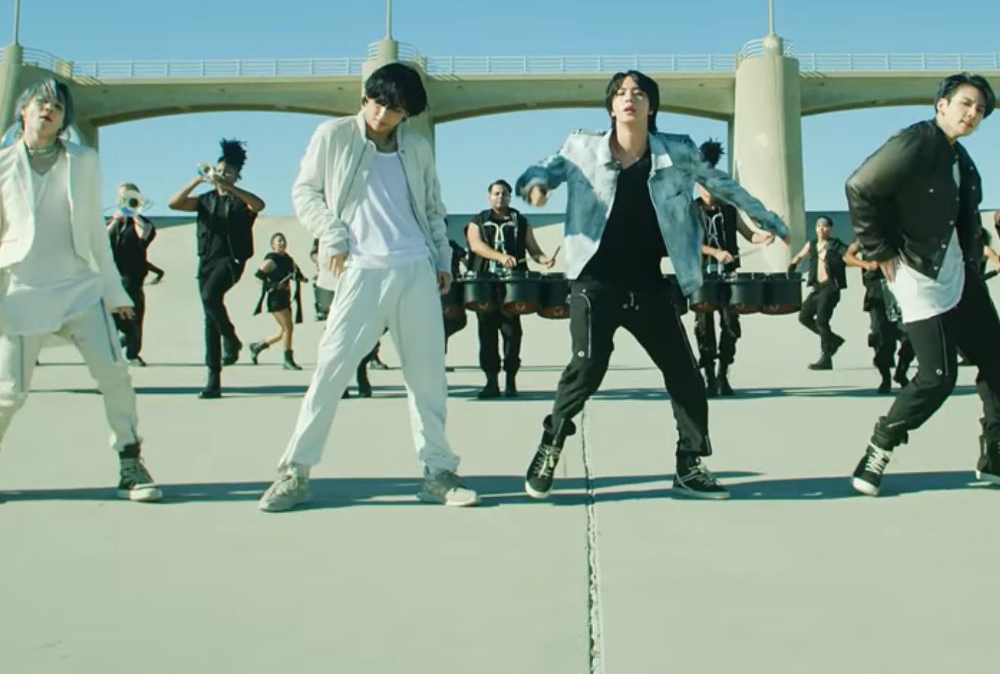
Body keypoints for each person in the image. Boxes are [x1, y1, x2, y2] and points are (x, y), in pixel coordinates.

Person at [514, 70, 788, 501]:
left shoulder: (678, 152)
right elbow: (543, 170)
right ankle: (551, 444)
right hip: (594, 281)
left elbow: (725, 186)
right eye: (621, 93)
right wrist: (535, 187)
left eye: (639, 93)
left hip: (648, 282)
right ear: (611, 107)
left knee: (684, 372)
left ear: (651, 106)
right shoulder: (582, 147)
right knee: (587, 368)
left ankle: (689, 464)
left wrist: (769, 219)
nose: (630, 98)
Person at [259, 62, 478, 511]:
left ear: (406, 113)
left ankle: (438, 472)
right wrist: (332, 233)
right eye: (376, 103)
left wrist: (442, 258)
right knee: (330, 371)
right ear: (364, 99)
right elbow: (305, 192)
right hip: (359, 270)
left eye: (393, 109)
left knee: (427, 379)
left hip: (415, 269)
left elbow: (433, 207)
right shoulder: (334, 135)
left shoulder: (417, 147)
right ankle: (294, 473)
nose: (381, 114)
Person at [0, 79, 160, 501]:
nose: (49, 109)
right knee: (9, 393)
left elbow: (93, 231)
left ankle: (130, 462)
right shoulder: (3, 164)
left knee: (115, 374)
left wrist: (115, 292)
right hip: (21, 290)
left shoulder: (84, 160)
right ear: (24, 110)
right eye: (42, 102)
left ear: (64, 119)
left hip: (79, 288)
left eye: (57, 106)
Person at [845, 72, 1000, 496]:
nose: (973, 114)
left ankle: (994, 454)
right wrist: (879, 249)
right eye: (966, 104)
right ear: (941, 105)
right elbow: (859, 186)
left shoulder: (960, 158)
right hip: (919, 274)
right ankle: (880, 447)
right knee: (937, 376)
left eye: (980, 110)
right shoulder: (915, 142)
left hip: (960, 273)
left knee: (996, 361)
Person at [168, 139, 264, 399]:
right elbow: (174, 204)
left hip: (231, 261)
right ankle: (214, 379)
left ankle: (231, 340)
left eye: (229, 172)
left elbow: (258, 205)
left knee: (210, 297)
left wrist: (230, 188)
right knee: (210, 317)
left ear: (237, 175)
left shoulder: (240, 201)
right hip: (206, 261)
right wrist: (197, 180)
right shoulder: (205, 200)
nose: (223, 174)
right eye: (220, 170)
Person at [693, 139, 776, 396]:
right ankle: (708, 376)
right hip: (702, 276)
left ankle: (723, 375)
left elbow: (749, 234)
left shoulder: (729, 210)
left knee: (731, 326)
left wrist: (764, 237)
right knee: (704, 327)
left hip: (728, 277)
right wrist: (715, 252)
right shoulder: (691, 210)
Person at [465, 179, 555, 398]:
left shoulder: (520, 222)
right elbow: (476, 245)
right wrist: (500, 257)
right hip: (485, 286)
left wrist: (544, 259)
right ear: (489, 197)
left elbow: (534, 249)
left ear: (510, 197)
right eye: (496, 193)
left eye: (504, 193)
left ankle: (511, 381)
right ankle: (491, 382)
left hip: (513, 287)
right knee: (487, 334)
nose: (500, 197)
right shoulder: (478, 220)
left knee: (512, 333)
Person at [788, 216, 850, 370]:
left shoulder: (836, 244)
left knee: (822, 321)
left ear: (830, 228)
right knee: (804, 317)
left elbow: (848, 256)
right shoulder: (812, 244)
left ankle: (826, 357)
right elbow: (800, 255)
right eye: (818, 226)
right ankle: (833, 340)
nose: (821, 229)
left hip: (830, 288)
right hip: (816, 288)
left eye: (824, 226)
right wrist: (793, 265)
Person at [846, 240, 907, 393]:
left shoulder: (900, 233)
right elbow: (848, 257)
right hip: (876, 291)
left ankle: (901, 372)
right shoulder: (865, 237)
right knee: (880, 336)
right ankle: (885, 377)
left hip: (900, 290)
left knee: (909, 335)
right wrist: (865, 264)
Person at [107, 182, 156, 366]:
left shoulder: (142, 223)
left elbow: (146, 233)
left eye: (129, 195)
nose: (124, 198)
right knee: (111, 320)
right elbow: (102, 240)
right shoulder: (114, 223)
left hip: (132, 279)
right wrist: (115, 220)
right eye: (122, 196)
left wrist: (134, 213)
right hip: (113, 278)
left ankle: (133, 354)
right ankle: (111, 352)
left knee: (134, 319)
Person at [248, 232, 307, 370]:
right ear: (273, 245)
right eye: (279, 241)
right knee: (288, 328)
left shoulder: (288, 259)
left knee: (284, 331)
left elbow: (296, 272)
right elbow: (257, 278)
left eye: (283, 240)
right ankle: (288, 360)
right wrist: (272, 285)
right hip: (275, 299)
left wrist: (301, 278)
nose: (282, 243)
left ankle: (258, 346)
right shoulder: (271, 260)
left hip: (285, 297)